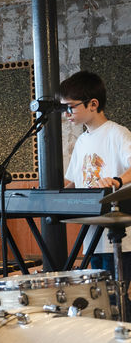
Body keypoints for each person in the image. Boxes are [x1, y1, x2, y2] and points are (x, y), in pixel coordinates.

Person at [60, 70, 131, 292]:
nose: (66, 114)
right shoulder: (81, 141)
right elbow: (73, 180)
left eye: (70, 107)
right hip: (91, 237)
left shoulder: (117, 134)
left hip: (118, 239)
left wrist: (117, 181)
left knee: (115, 298)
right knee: (100, 298)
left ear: (93, 104)